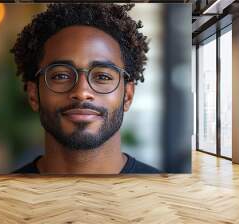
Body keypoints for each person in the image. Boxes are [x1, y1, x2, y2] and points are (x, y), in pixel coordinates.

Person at [11, 3, 160, 174]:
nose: (81, 92)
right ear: (33, 95)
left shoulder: (167, 194)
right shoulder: (2, 196)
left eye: (103, 77)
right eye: (61, 76)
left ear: (127, 96)